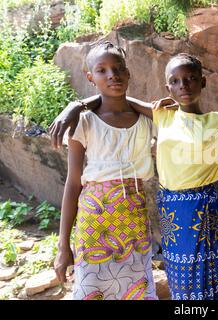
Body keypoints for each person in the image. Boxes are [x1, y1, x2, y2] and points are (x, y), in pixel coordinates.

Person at [49, 53, 218, 300]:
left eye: (191, 79)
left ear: (203, 82)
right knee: (182, 280)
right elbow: (118, 98)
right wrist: (77, 105)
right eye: (176, 81)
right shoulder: (161, 115)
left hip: (206, 205)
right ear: (168, 87)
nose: (184, 85)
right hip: (172, 209)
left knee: (212, 277)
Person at [53, 41, 158, 300]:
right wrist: (63, 245)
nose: (112, 75)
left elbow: (175, 116)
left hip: (134, 220)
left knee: (137, 291)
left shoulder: (146, 121)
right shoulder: (84, 122)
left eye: (119, 68)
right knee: (92, 291)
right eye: (102, 70)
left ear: (128, 73)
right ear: (90, 77)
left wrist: (79, 102)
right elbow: (73, 184)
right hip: (93, 224)